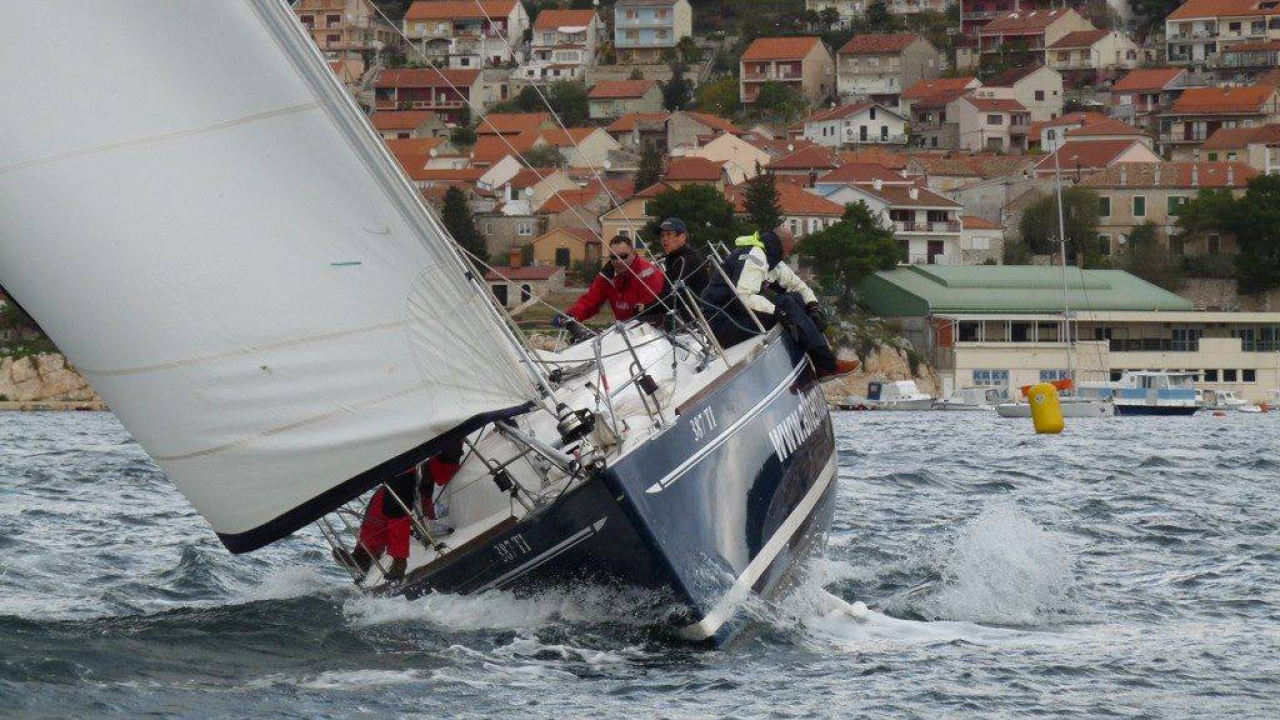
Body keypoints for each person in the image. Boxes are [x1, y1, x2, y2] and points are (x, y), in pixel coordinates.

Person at [699, 226, 858, 382]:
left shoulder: (769, 257)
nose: (788, 254)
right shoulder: (754, 257)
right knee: (787, 304)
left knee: (795, 298)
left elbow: (797, 285)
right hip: (721, 326)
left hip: (736, 316)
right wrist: (777, 311)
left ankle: (818, 365)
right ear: (784, 247)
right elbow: (744, 296)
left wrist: (813, 306)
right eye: (789, 250)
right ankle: (827, 365)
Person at [554, 236, 666, 332]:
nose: (618, 261)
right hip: (624, 331)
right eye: (613, 257)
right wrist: (571, 316)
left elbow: (651, 311)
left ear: (633, 253)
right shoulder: (607, 276)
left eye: (623, 256)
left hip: (652, 331)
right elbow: (590, 301)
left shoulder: (648, 274)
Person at [657, 217, 708, 301]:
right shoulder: (671, 259)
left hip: (692, 311)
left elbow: (675, 296)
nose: (664, 239)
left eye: (669, 234)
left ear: (682, 237)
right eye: (662, 235)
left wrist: (645, 308)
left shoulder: (687, 260)